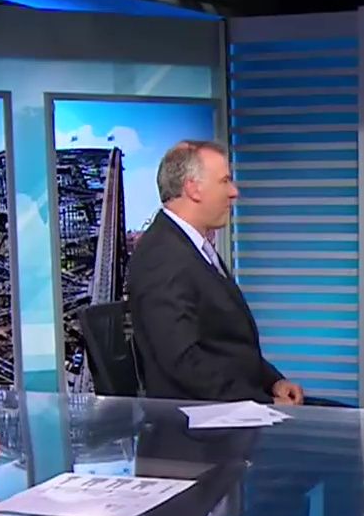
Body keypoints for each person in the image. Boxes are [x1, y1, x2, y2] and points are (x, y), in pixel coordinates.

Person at [127, 140, 306, 406]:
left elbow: (225, 345)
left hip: (237, 404)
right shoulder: (162, 256)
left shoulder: (190, 248)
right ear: (193, 188)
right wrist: (261, 402)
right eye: (225, 181)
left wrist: (273, 381)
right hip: (201, 421)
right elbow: (184, 363)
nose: (234, 192)